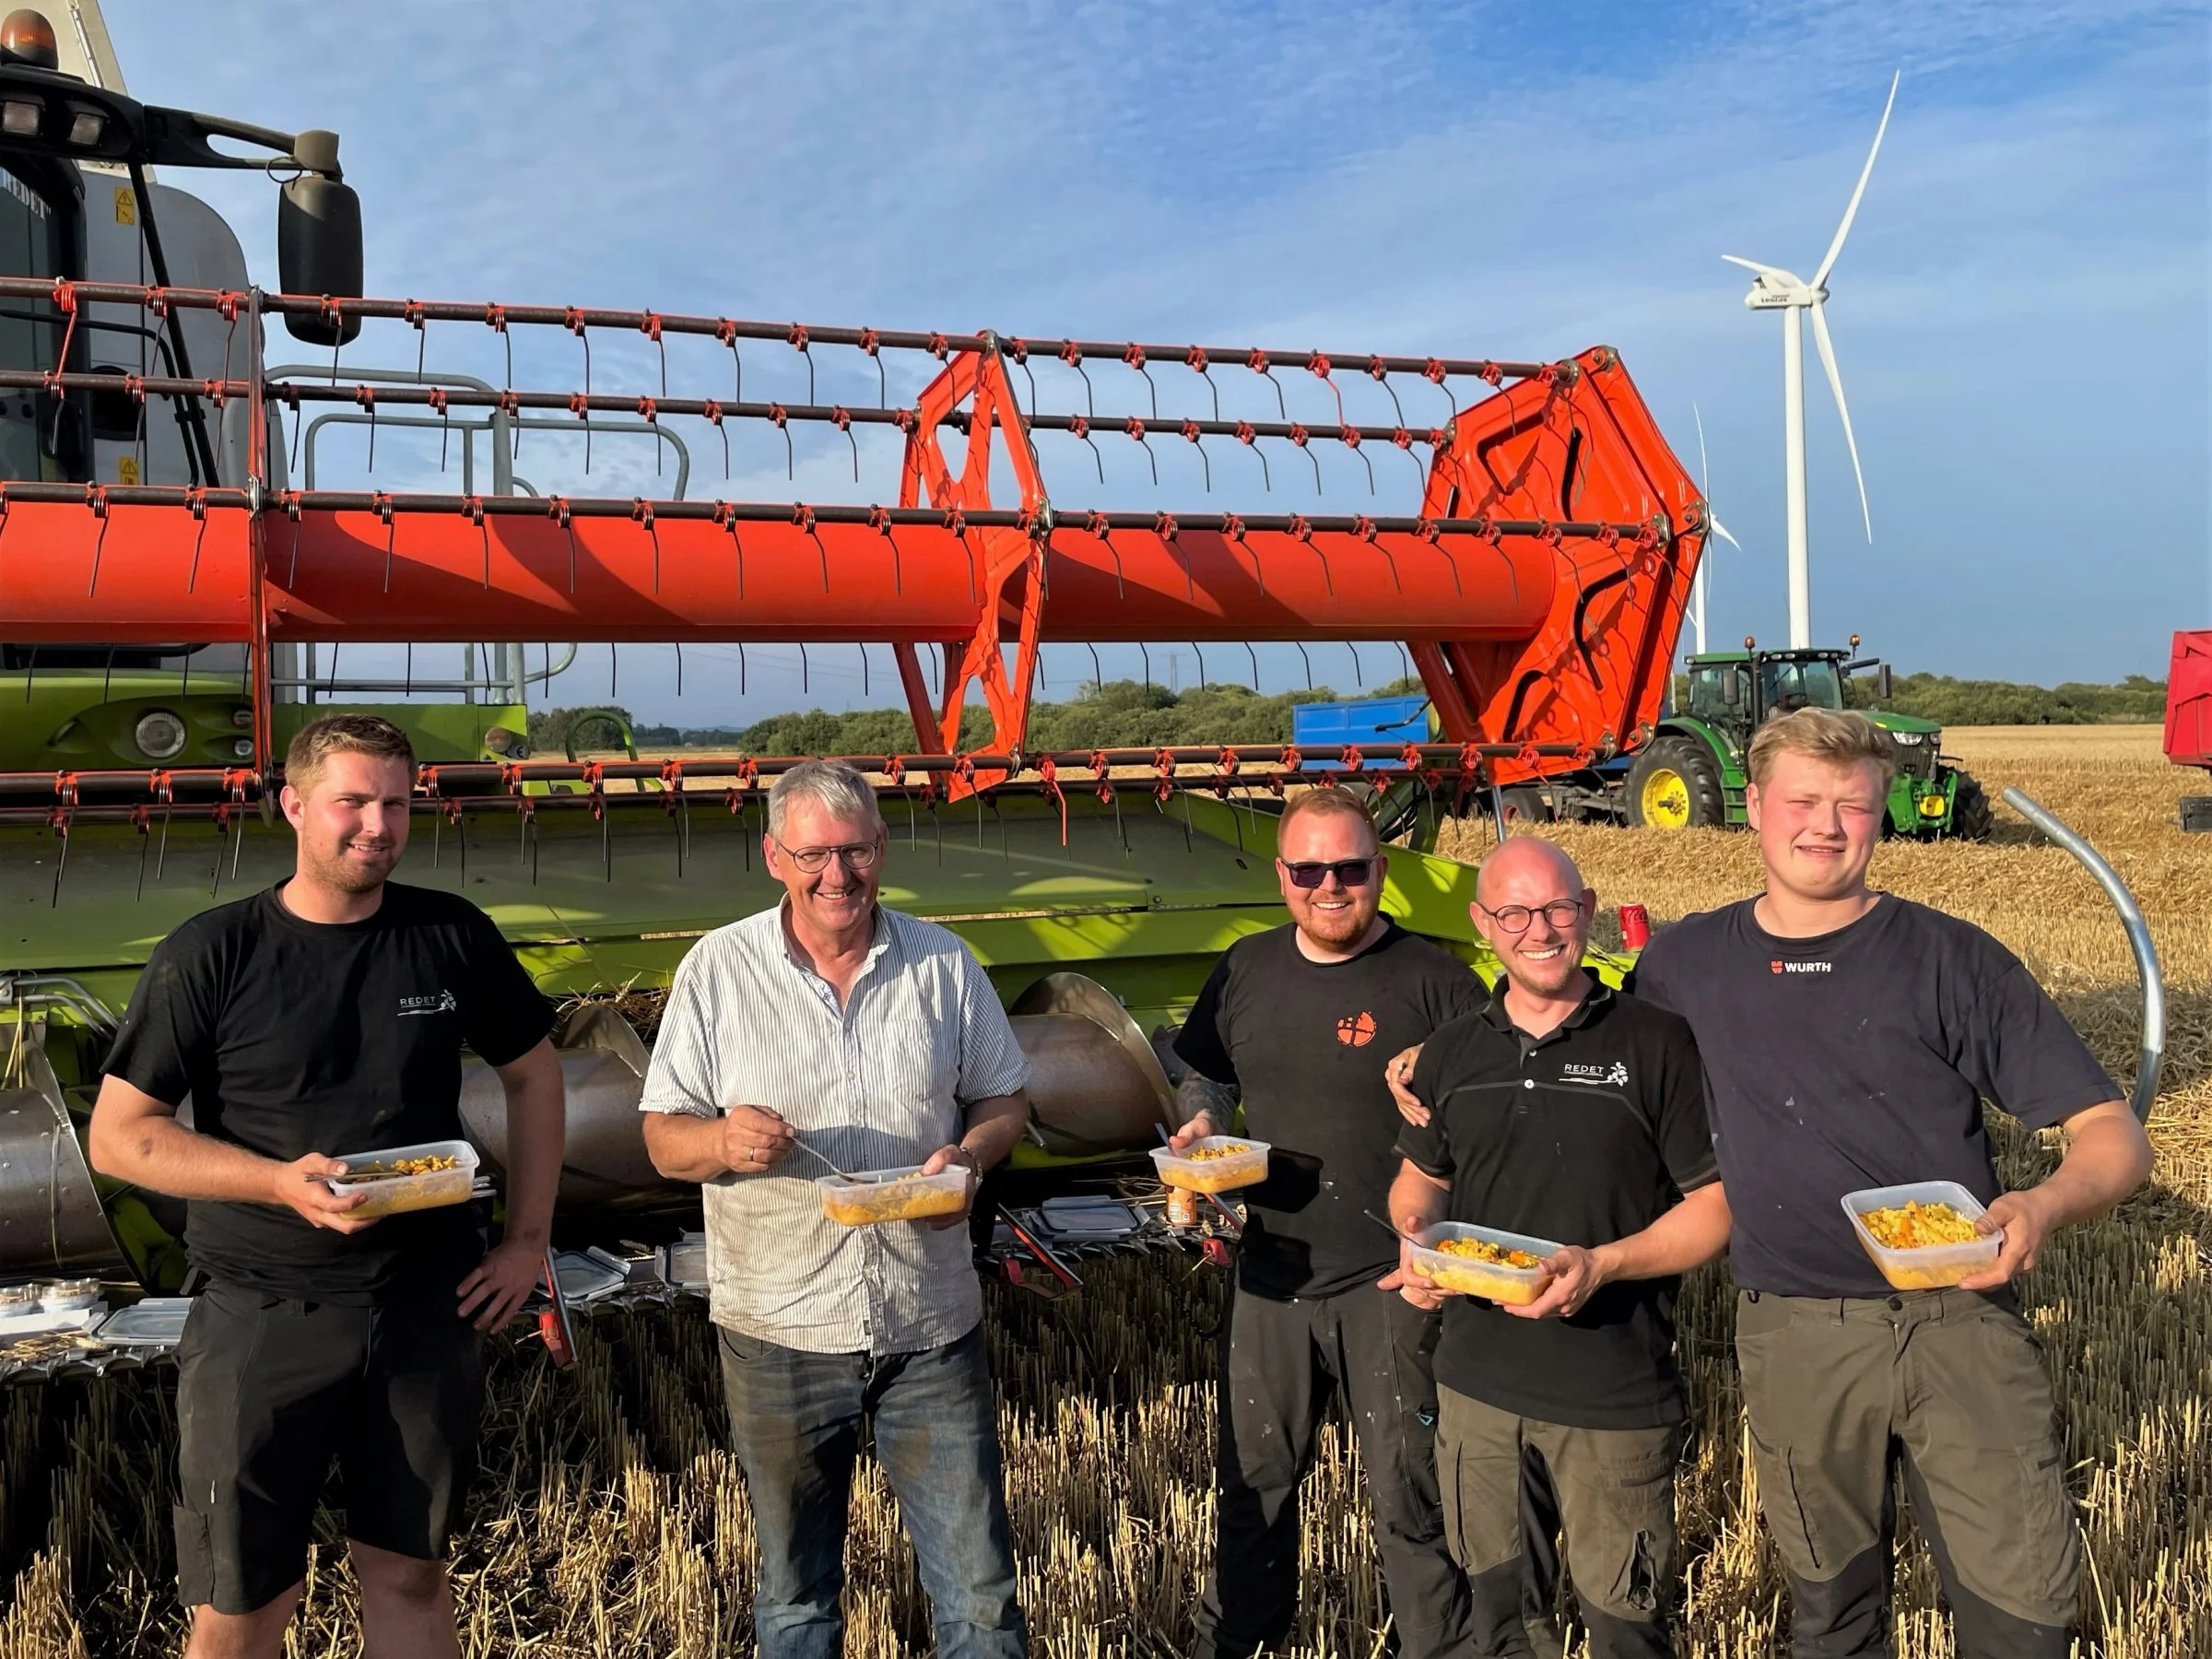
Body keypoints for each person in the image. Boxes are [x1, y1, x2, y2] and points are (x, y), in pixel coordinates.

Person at [1630, 708, 2152, 1658]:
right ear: (1753, 807)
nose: (1825, 825)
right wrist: (1435, 1064)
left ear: (1882, 816)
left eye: (1852, 805)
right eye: (1803, 800)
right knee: (1833, 1620)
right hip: (1794, 1333)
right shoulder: (1682, 967)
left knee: (2025, 1621)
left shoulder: (1953, 960)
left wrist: (2042, 1203)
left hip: (1960, 1324)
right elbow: (1593, 1085)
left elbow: (2114, 1136)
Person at [90, 713, 565, 1659]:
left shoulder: (449, 935)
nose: (377, 825)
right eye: (351, 801)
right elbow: (121, 1138)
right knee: (243, 1603)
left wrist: (526, 1241)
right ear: (295, 805)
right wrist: (277, 1182)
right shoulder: (213, 953)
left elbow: (536, 1072)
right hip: (264, 1315)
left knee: (408, 1571)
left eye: (395, 803)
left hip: (423, 1310)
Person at [638, 759, 1034, 1659]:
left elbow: (1004, 1101)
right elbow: (663, 1139)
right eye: (815, 854)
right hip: (779, 1330)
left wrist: (968, 1160)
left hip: (929, 1327)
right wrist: (722, 1144)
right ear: (774, 855)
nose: (838, 875)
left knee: (980, 1601)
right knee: (795, 1599)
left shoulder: (943, 964)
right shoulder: (718, 971)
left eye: (856, 851)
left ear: (883, 849)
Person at [1381, 837, 1729, 1658]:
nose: (1539, 929)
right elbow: (1418, 1181)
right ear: (1482, 924)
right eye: (1513, 912)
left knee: (1626, 1629)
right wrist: (1419, 1245)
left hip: (1612, 1397)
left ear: (1590, 911)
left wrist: (1602, 1264)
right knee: (1501, 1624)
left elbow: (1717, 1209)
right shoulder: (1452, 1051)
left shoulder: (1657, 1043)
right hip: (1476, 1394)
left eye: (1558, 908)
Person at [1169, 785, 1488, 1659]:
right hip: (1271, 1271)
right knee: (1254, 1487)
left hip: (1393, 1282)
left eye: (1350, 867)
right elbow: (1206, 1072)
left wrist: (1451, 1249)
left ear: (1380, 871)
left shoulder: (1440, 985)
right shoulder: (1246, 967)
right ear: (1283, 876)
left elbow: (1494, 1124)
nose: (1330, 886)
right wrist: (1199, 1122)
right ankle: (1237, 1643)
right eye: (1309, 869)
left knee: (1411, 1497)